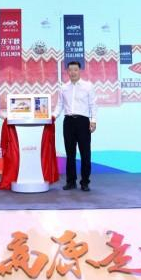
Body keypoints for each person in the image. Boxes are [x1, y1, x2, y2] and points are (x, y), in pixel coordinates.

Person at [53, 61, 97, 191]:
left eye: (75, 70)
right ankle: (71, 182)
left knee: (85, 153)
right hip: (68, 122)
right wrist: (53, 116)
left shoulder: (88, 86)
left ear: (80, 71)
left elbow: (93, 105)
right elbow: (60, 105)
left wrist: (93, 121)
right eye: (70, 70)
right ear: (67, 71)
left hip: (83, 122)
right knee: (70, 153)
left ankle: (85, 182)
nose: (73, 72)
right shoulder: (63, 87)